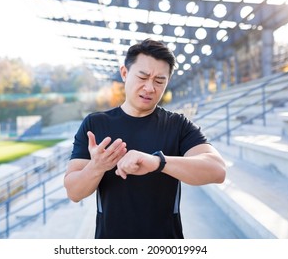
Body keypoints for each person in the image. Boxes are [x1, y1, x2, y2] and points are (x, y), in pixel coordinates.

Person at [64, 38, 226, 239]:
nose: (150, 88)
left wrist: (158, 162)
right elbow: (74, 192)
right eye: (142, 77)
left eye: (159, 81)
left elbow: (218, 170)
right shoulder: (95, 125)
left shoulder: (177, 125)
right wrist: (97, 166)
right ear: (125, 73)